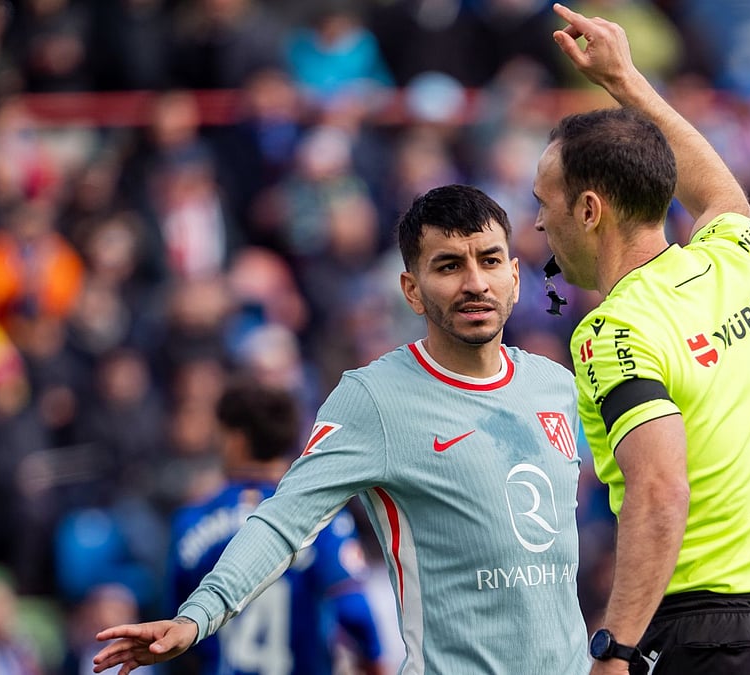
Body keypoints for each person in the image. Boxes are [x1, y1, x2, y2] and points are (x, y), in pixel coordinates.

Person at [92, 184, 589, 674]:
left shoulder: (555, 386)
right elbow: (283, 520)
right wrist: (197, 618)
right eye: (449, 265)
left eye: (490, 260)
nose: (476, 282)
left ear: (516, 277)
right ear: (411, 290)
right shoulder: (375, 399)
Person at [533, 5, 750, 674]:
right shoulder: (733, 256)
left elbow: (658, 493)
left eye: (546, 203)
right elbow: (723, 191)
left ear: (589, 211)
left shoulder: (612, 330)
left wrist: (613, 650)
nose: (538, 224)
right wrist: (626, 81)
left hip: (713, 643)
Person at [167, 379, 385, 675]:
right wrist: (374, 664)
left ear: (236, 440)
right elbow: (353, 610)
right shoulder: (320, 516)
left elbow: (173, 629)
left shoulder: (191, 520)